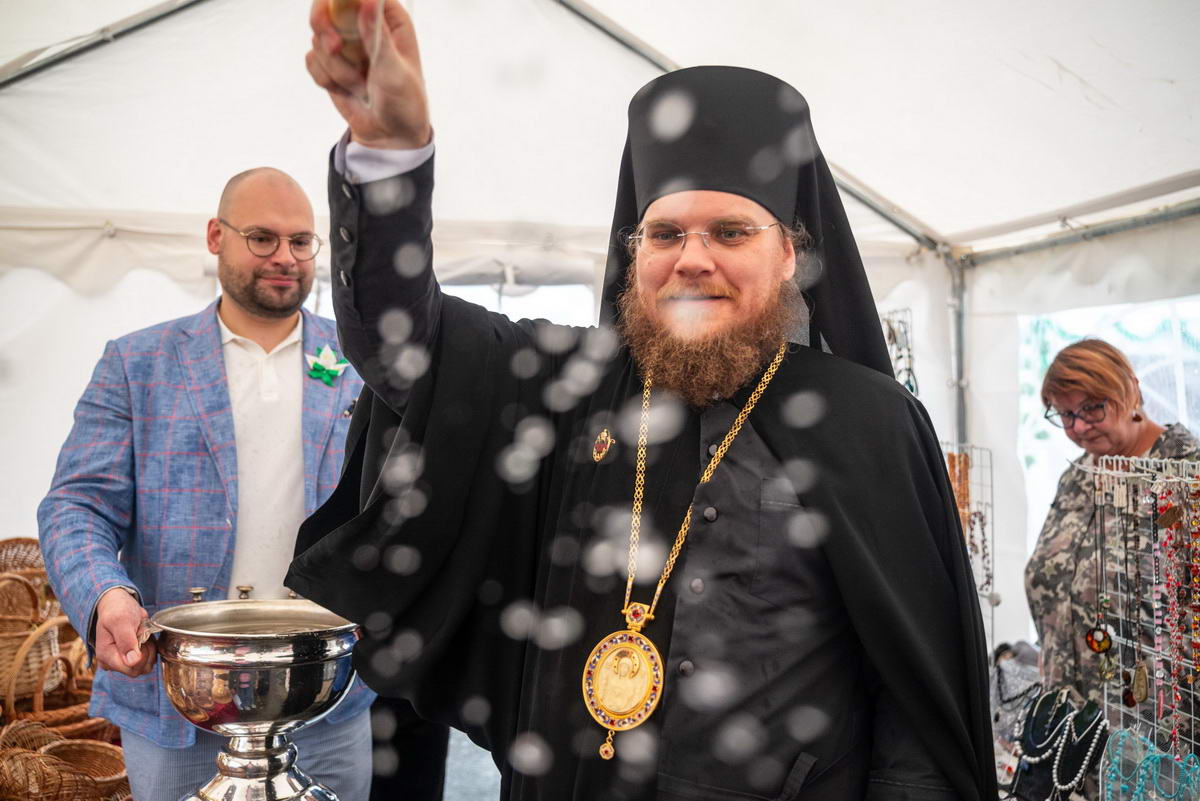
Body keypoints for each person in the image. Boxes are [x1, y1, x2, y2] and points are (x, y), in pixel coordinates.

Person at [289, 1, 997, 799]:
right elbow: (404, 348)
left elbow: (916, 718)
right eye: (665, 234)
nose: (692, 258)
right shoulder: (569, 389)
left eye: (730, 232)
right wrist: (389, 158)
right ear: (635, 255)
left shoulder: (870, 422)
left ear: (789, 255)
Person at [37, 166, 414, 800]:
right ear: (216, 236)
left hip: (327, 694)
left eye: (301, 241)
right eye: (262, 238)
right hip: (178, 697)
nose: (284, 257)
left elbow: (401, 502)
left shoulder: (360, 364)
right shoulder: (137, 362)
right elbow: (77, 505)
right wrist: (105, 596)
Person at [1025, 338, 1200, 706]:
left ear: (1129, 391)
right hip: (1069, 715)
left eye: (1092, 408)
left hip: (1156, 718)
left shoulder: (1185, 475)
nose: (1079, 426)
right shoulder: (1077, 476)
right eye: (1065, 415)